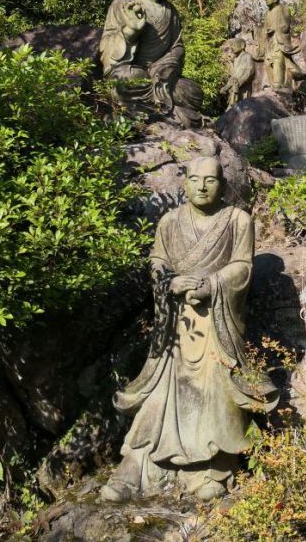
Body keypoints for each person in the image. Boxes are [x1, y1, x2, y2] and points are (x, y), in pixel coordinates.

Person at [100, 156, 278, 503]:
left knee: (217, 389)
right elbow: (157, 262)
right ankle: (136, 467)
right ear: (184, 184)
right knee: (160, 395)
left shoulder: (237, 221)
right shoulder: (169, 222)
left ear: (222, 185)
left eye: (210, 180)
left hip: (216, 324)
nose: (202, 186)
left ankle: (211, 470)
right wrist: (170, 282)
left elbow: (242, 267)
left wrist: (212, 284)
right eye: (195, 179)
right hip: (175, 329)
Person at [99, 0, 203, 128]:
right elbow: (107, 45)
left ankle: (150, 112)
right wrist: (130, 31)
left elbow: (177, 46)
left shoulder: (170, 10)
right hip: (135, 73)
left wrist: (164, 68)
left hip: (164, 76)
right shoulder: (123, 2)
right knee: (123, 81)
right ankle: (162, 112)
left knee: (193, 92)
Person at [261, 0, 306, 90]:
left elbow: (286, 26)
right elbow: (265, 28)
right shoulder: (268, 13)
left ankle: (278, 83)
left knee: (278, 60)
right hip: (270, 41)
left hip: (280, 40)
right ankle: (273, 83)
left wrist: (275, 29)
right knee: (268, 63)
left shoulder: (284, 9)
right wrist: (266, 33)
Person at [220, 38, 255, 109]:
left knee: (242, 107)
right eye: (231, 46)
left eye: (234, 45)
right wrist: (227, 86)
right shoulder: (236, 59)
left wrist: (239, 83)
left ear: (242, 45)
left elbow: (249, 72)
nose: (232, 47)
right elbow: (234, 75)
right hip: (234, 88)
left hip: (243, 88)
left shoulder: (247, 56)